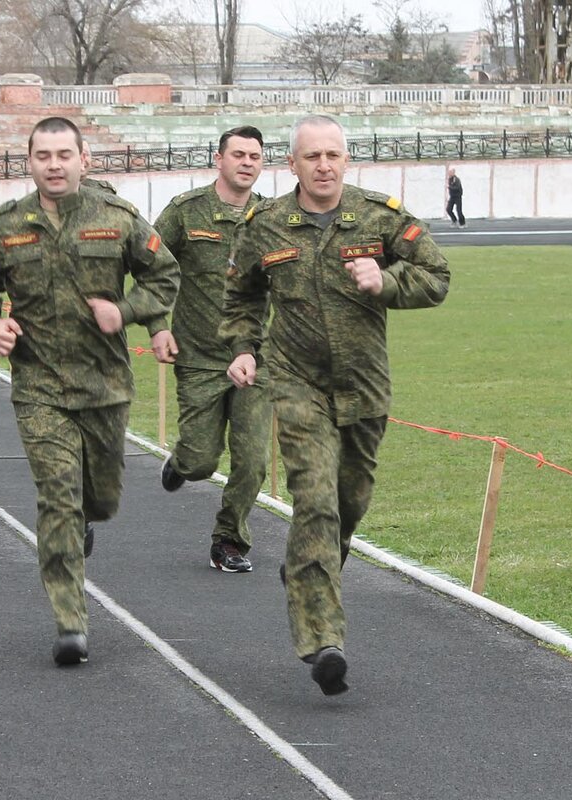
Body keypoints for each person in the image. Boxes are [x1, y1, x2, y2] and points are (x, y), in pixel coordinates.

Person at [220, 115, 450, 695]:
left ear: (347, 160)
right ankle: (323, 638)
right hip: (296, 384)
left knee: (350, 501)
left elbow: (437, 276)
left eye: (333, 155)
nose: (323, 165)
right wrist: (244, 347)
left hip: (365, 387)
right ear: (291, 164)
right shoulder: (266, 225)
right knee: (315, 500)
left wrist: (386, 282)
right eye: (311, 156)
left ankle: (304, 566)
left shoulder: (380, 216)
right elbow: (240, 294)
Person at [0, 117, 179, 666]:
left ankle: (85, 521)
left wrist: (125, 311)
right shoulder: (7, 224)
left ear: (85, 158)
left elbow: (164, 277)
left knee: (99, 500)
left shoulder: (118, 218)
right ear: (29, 162)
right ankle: (70, 621)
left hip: (105, 387)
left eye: (64, 154)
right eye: (43, 155)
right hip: (39, 386)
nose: (54, 165)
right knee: (58, 497)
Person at [151, 126, 270, 574]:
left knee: (253, 459)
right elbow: (149, 265)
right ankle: (183, 460)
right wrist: (157, 326)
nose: (246, 162)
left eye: (254, 156)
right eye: (237, 154)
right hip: (199, 356)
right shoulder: (186, 212)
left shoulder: (275, 216)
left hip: (257, 358)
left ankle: (229, 540)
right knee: (202, 460)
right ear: (217, 160)